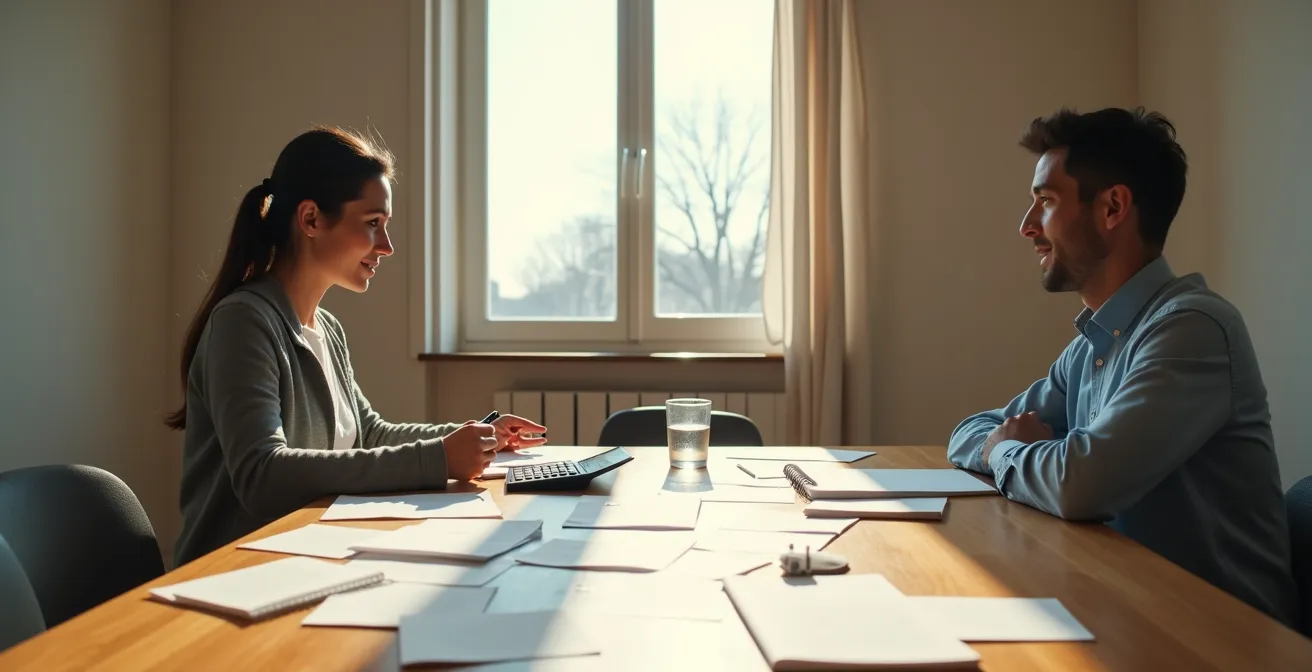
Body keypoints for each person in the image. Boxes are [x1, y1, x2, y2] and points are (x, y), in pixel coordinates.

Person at [948, 107, 1299, 627]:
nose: (1027, 227)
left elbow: (1080, 485)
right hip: (1126, 609)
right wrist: (1010, 446)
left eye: (1045, 202)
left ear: (1112, 207)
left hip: (1219, 641)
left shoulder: (1192, 329)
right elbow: (966, 433)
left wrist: (1008, 450)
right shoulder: (1095, 341)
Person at [167, 127, 546, 567]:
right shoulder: (243, 322)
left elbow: (367, 436)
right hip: (235, 573)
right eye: (372, 224)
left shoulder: (326, 328)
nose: (386, 247)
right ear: (310, 219)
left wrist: (472, 437)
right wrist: (440, 457)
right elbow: (262, 474)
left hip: (308, 556)